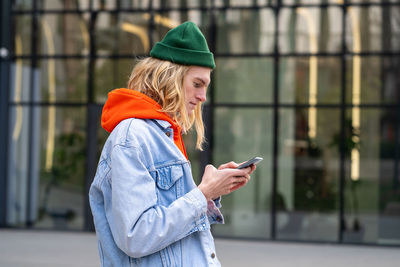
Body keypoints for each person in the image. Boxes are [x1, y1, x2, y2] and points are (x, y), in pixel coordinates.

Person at [89, 21, 256, 267]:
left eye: (205, 87)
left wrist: (212, 191)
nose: (203, 97)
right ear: (169, 78)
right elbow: (137, 237)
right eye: (197, 84)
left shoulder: (163, 134)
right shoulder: (132, 137)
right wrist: (203, 193)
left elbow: (173, 233)